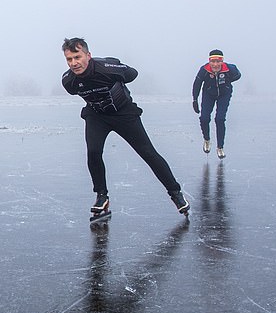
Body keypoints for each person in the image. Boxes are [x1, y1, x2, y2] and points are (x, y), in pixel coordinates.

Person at [61, 37, 189, 222]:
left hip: (124, 114)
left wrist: (116, 66)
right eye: (69, 59)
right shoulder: (69, 81)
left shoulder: (106, 68)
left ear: (88, 55)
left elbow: (132, 73)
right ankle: (101, 196)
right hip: (97, 116)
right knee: (93, 152)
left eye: (77, 57)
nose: (74, 63)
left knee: (148, 153)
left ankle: (175, 193)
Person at [192, 49, 241, 159]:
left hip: (224, 94)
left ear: (222, 61)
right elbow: (197, 84)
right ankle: (207, 140)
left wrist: (227, 83)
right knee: (204, 118)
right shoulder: (204, 70)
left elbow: (238, 75)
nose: (215, 64)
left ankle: (220, 147)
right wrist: (195, 100)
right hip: (209, 94)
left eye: (218, 61)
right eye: (213, 61)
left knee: (220, 119)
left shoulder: (229, 69)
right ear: (209, 61)